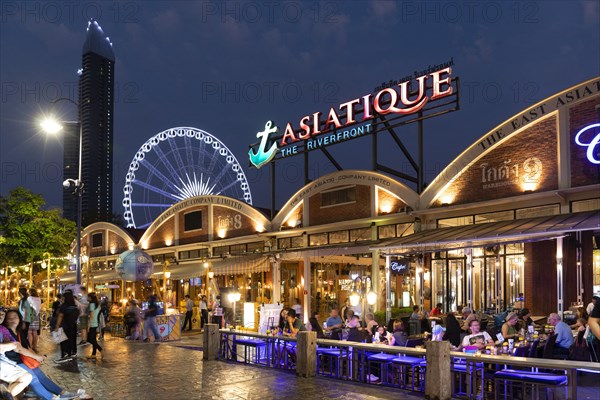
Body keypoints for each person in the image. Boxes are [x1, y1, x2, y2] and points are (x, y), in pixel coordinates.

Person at [1, 308, 82, 400]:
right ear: (5, 321)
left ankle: (62, 392)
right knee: (33, 378)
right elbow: (18, 349)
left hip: (22, 360)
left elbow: (26, 347)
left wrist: (36, 357)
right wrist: (37, 357)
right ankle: (50, 398)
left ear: (19, 318)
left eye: (14, 317)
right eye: (9, 318)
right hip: (13, 363)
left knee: (41, 376)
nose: (12, 320)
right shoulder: (5, 332)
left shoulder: (18, 332)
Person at [53, 291, 80, 362]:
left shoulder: (64, 306)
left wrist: (57, 326)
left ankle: (65, 353)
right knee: (72, 339)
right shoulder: (74, 306)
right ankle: (72, 352)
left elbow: (60, 316)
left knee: (64, 340)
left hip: (64, 325)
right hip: (73, 325)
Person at [86, 293, 103, 359]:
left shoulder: (92, 305)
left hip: (92, 324)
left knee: (89, 339)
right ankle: (93, 354)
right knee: (93, 339)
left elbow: (92, 315)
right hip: (95, 323)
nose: (87, 298)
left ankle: (100, 349)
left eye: (88, 297)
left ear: (90, 298)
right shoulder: (97, 304)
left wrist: (88, 325)